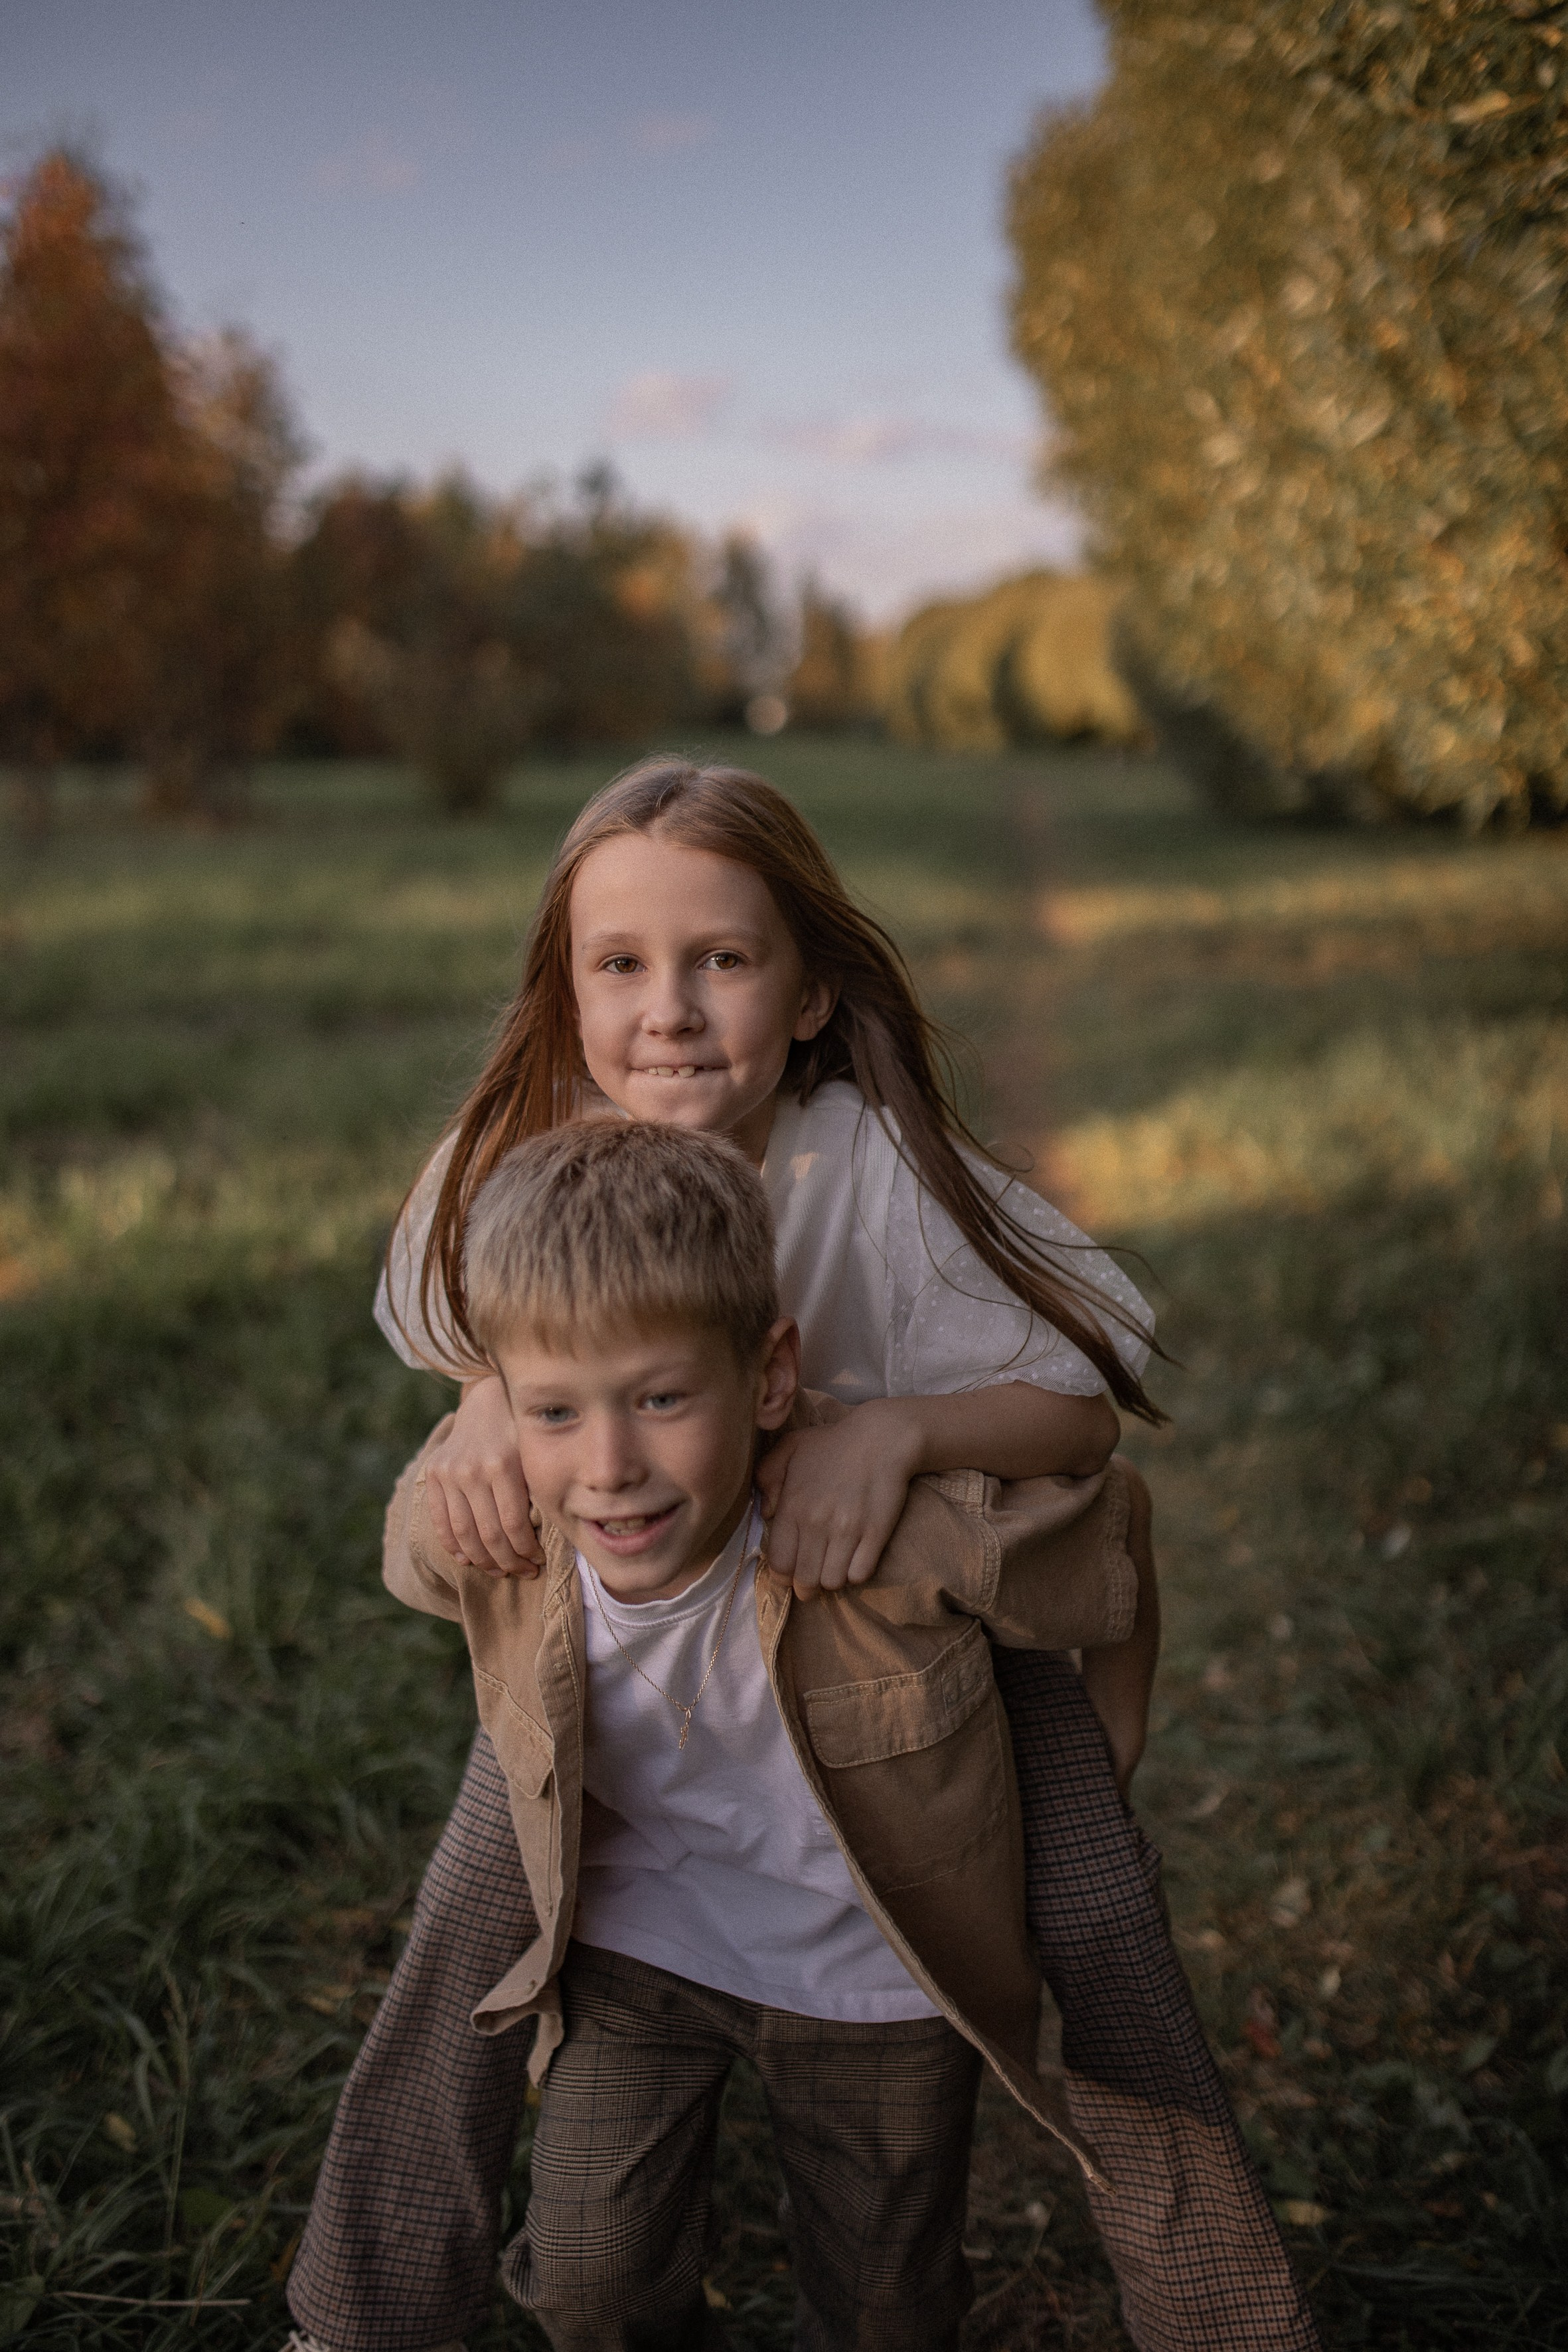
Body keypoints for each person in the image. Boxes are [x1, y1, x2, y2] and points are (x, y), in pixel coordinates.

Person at [285, 756, 1320, 2352]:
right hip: (640, 1668)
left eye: (722, 958)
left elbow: (1085, 1396)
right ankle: (357, 2310)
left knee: (1100, 1934)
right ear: (566, 996)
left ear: (813, 987)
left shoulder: (877, 1180)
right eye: (619, 964)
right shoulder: (524, 1161)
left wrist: (896, 1430)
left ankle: (1222, 2308)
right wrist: (493, 1394)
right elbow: (474, 1335)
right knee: (467, 1944)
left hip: (897, 1636)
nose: (670, 1011)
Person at [377, 1117, 1149, 2351]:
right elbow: (418, 1544)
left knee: (883, 2304)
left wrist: (1110, 1762)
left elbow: (1106, 1545)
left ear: (771, 1375)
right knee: (588, 2277)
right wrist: (469, 1441)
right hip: (640, 1951)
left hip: (873, 1972)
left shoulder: (883, 1538)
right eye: (556, 1412)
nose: (612, 1465)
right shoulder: (516, 1535)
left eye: (663, 1399)